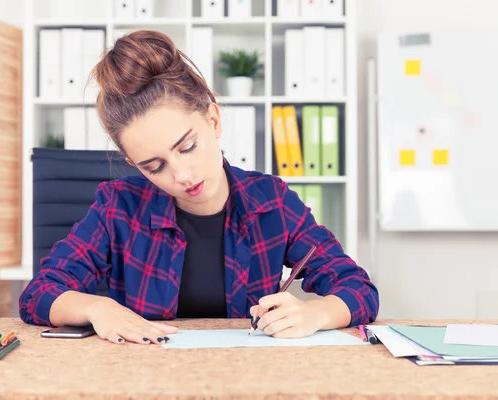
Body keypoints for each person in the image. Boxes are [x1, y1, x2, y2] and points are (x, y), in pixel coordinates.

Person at [19, 29, 379, 345]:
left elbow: (358, 289)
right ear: (135, 165)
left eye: (187, 146)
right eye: (154, 166)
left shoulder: (271, 201)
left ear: (213, 119)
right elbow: (38, 293)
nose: (182, 175)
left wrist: (317, 314)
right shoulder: (119, 206)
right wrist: (96, 307)